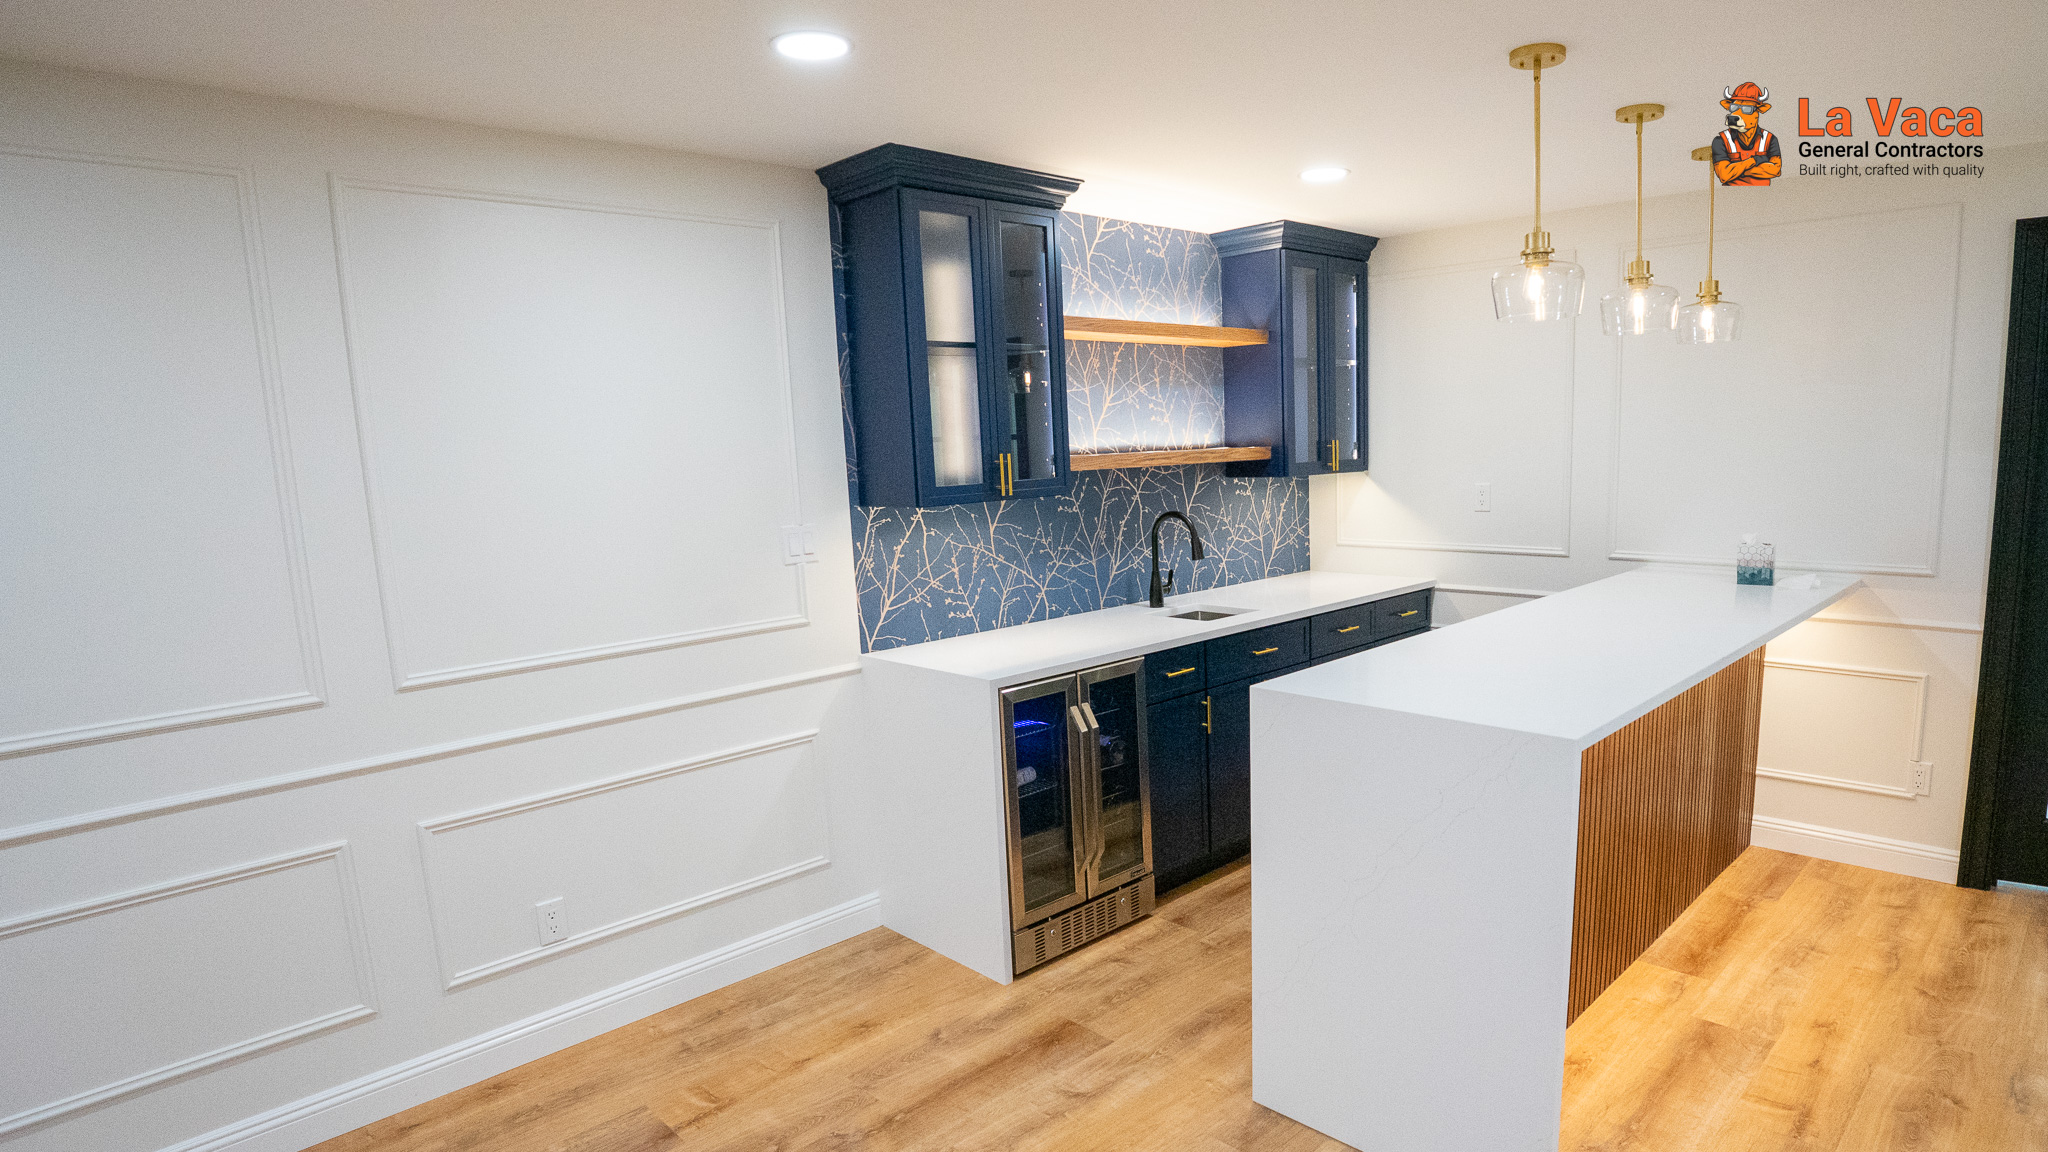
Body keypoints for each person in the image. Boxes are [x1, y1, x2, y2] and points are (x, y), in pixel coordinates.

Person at [1712, 82, 1781, 186]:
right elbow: (1724, 175)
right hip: (1730, 196)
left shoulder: (1770, 139)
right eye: (1734, 108)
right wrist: (1754, 160)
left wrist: (1738, 171)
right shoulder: (1720, 140)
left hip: (1764, 196)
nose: (1735, 114)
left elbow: (1775, 170)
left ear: (1760, 111)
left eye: (1747, 109)